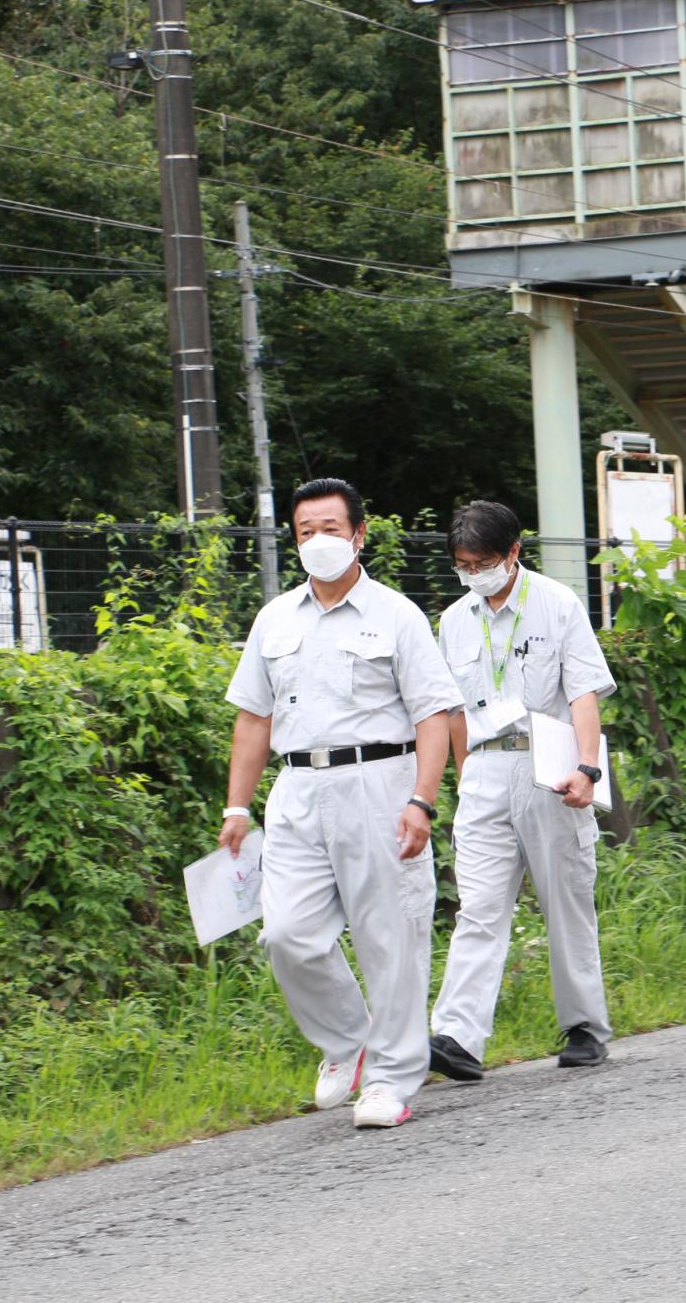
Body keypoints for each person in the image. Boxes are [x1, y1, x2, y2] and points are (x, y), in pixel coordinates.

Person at [218, 478, 459, 1130]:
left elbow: (434, 714)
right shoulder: (274, 619)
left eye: (330, 528)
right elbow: (252, 719)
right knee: (288, 933)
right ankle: (349, 1039)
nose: (318, 541)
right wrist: (236, 807)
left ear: (359, 533)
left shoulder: (397, 615)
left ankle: (392, 1076)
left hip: (379, 782)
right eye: (305, 532)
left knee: (392, 936)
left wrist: (422, 800)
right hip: (296, 790)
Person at [427, 501, 617, 1083]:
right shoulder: (454, 619)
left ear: (514, 553)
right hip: (484, 771)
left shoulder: (557, 605)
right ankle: (457, 1034)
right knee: (479, 909)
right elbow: (453, 711)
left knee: (565, 900)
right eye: (462, 565)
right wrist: (462, 780)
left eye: (483, 562)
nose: (473, 574)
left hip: (549, 768)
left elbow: (583, 691)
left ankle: (584, 1025)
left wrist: (588, 769)